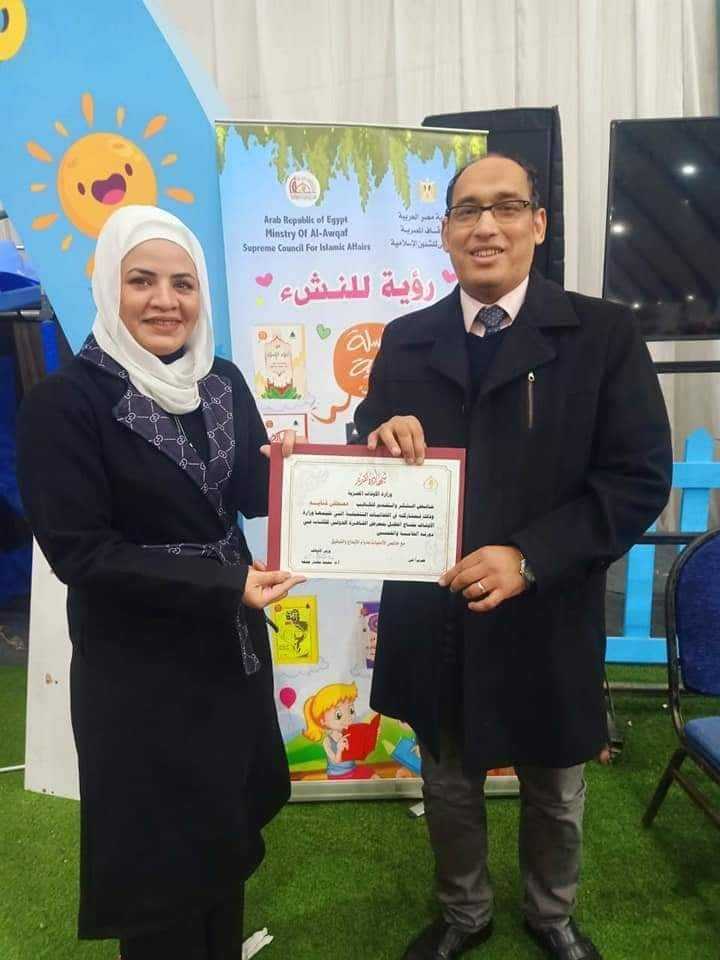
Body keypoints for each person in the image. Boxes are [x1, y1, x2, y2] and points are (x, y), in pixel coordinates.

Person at [354, 154, 672, 960]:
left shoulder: (602, 335)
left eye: (505, 207)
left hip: (548, 606)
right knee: (448, 786)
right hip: (436, 609)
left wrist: (529, 557)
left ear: (538, 223)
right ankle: (465, 915)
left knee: (556, 785)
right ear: (445, 232)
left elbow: (637, 478)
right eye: (467, 210)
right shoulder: (406, 338)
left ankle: (550, 913)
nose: (485, 226)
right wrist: (377, 435)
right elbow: (370, 441)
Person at [16, 205, 305, 960]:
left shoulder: (222, 382)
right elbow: (82, 554)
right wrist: (224, 585)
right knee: (160, 859)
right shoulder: (66, 404)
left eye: (183, 283)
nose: (165, 301)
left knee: (223, 832)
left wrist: (305, 471)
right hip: (139, 670)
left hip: (229, 655)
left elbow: (249, 494)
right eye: (141, 280)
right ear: (109, 287)